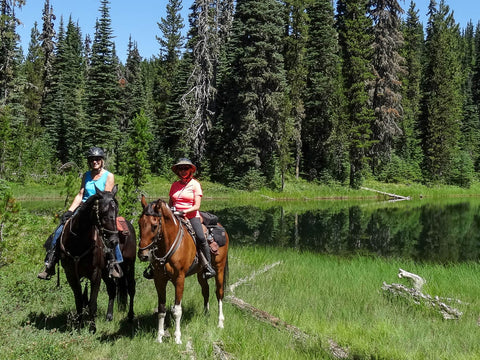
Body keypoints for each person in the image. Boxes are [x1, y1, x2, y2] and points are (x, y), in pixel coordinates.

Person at [37, 147, 123, 280]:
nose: (95, 162)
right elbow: (80, 194)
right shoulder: (86, 175)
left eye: (97, 159)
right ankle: (50, 263)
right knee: (60, 230)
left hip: (101, 210)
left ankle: (114, 262)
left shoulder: (109, 176)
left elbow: (106, 198)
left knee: (111, 233)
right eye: (92, 160)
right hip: (83, 209)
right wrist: (70, 211)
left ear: (102, 160)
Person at [144, 158, 216, 280]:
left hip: (191, 216)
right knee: (157, 234)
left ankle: (207, 266)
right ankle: (153, 265)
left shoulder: (195, 184)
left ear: (190, 170)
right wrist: (170, 211)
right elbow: (171, 203)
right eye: (180, 169)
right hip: (175, 216)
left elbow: (197, 206)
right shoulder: (174, 185)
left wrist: (184, 211)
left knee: (200, 237)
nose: (183, 171)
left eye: (185, 168)